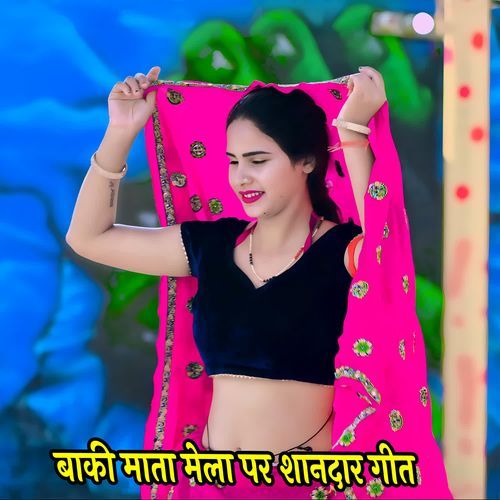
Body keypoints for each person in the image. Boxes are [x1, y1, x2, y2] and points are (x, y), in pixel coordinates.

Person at [66, 66, 452, 499]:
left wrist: (353, 132)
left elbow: (387, 249)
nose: (240, 177)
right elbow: (89, 238)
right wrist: (120, 131)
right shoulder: (211, 246)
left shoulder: (345, 252)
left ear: (306, 161)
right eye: (233, 162)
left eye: (257, 161)